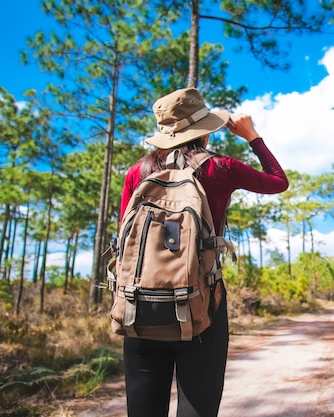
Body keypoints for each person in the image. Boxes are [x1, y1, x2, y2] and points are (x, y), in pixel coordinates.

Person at [119, 87, 289, 417]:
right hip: (202, 304)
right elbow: (277, 181)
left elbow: (125, 239)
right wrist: (253, 137)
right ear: (204, 133)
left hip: (140, 305)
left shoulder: (137, 173)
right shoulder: (220, 168)